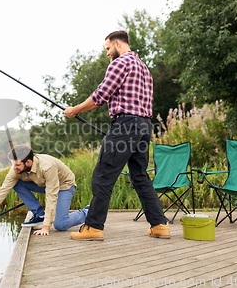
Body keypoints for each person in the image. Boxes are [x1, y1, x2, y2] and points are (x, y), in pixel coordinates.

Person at [64, 30, 170, 241]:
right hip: (144, 126)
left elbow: (101, 95)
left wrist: (75, 110)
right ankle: (160, 225)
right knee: (139, 176)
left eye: (108, 48)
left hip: (125, 125)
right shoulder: (144, 68)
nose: (107, 53)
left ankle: (93, 227)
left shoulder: (120, 63)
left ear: (118, 44)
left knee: (103, 174)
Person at [0, 144, 89, 236]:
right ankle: (39, 214)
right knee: (15, 183)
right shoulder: (16, 169)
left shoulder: (47, 167)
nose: (14, 167)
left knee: (60, 225)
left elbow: (51, 196)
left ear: (28, 162)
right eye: (13, 164)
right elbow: (2, 191)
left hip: (64, 186)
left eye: (17, 165)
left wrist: (45, 227)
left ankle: (88, 211)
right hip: (43, 184)